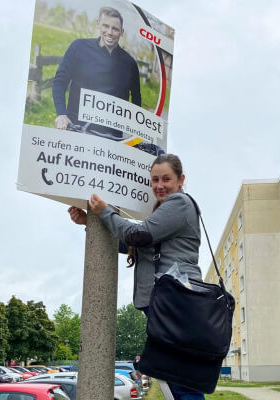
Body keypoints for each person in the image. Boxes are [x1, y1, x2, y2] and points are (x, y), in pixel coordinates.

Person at [68, 154, 205, 400]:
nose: (159, 185)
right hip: (169, 303)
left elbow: (138, 235)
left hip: (177, 302)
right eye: (155, 180)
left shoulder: (180, 204)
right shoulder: (165, 212)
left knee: (181, 380)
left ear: (181, 180)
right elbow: (134, 246)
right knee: (175, 379)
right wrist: (89, 223)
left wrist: (104, 212)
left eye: (166, 179)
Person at [53, 6, 141, 132]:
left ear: (121, 32)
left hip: (112, 136)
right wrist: (61, 114)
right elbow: (59, 82)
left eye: (115, 29)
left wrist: (136, 130)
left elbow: (136, 99)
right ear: (98, 24)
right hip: (77, 128)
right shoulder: (78, 47)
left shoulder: (130, 63)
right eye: (106, 26)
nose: (110, 32)